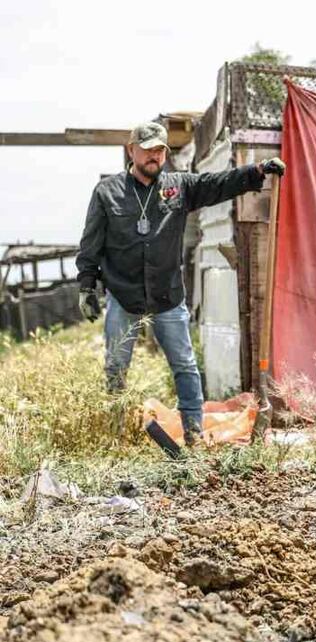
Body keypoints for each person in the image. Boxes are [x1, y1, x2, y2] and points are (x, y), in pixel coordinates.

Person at [76, 121, 286, 445]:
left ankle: (193, 432)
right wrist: (86, 287)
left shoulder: (178, 186)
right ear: (131, 150)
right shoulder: (107, 193)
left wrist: (256, 171)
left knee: (186, 367)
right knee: (116, 366)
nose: (154, 156)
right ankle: (114, 434)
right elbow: (91, 243)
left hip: (167, 297)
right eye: (147, 150)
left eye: (160, 150)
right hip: (124, 295)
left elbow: (218, 183)